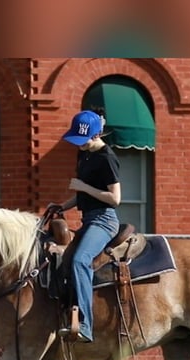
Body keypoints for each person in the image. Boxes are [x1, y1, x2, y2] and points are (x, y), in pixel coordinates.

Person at [49, 109, 121, 343]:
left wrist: (83, 186)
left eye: (83, 140)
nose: (78, 145)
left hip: (104, 220)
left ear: (95, 135)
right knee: (59, 259)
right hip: (88, 218)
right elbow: (83, 197)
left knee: (80, 260)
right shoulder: (85, 154)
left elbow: (115, 199)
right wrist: (62, 206)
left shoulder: (106, 157)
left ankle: (85, 326)